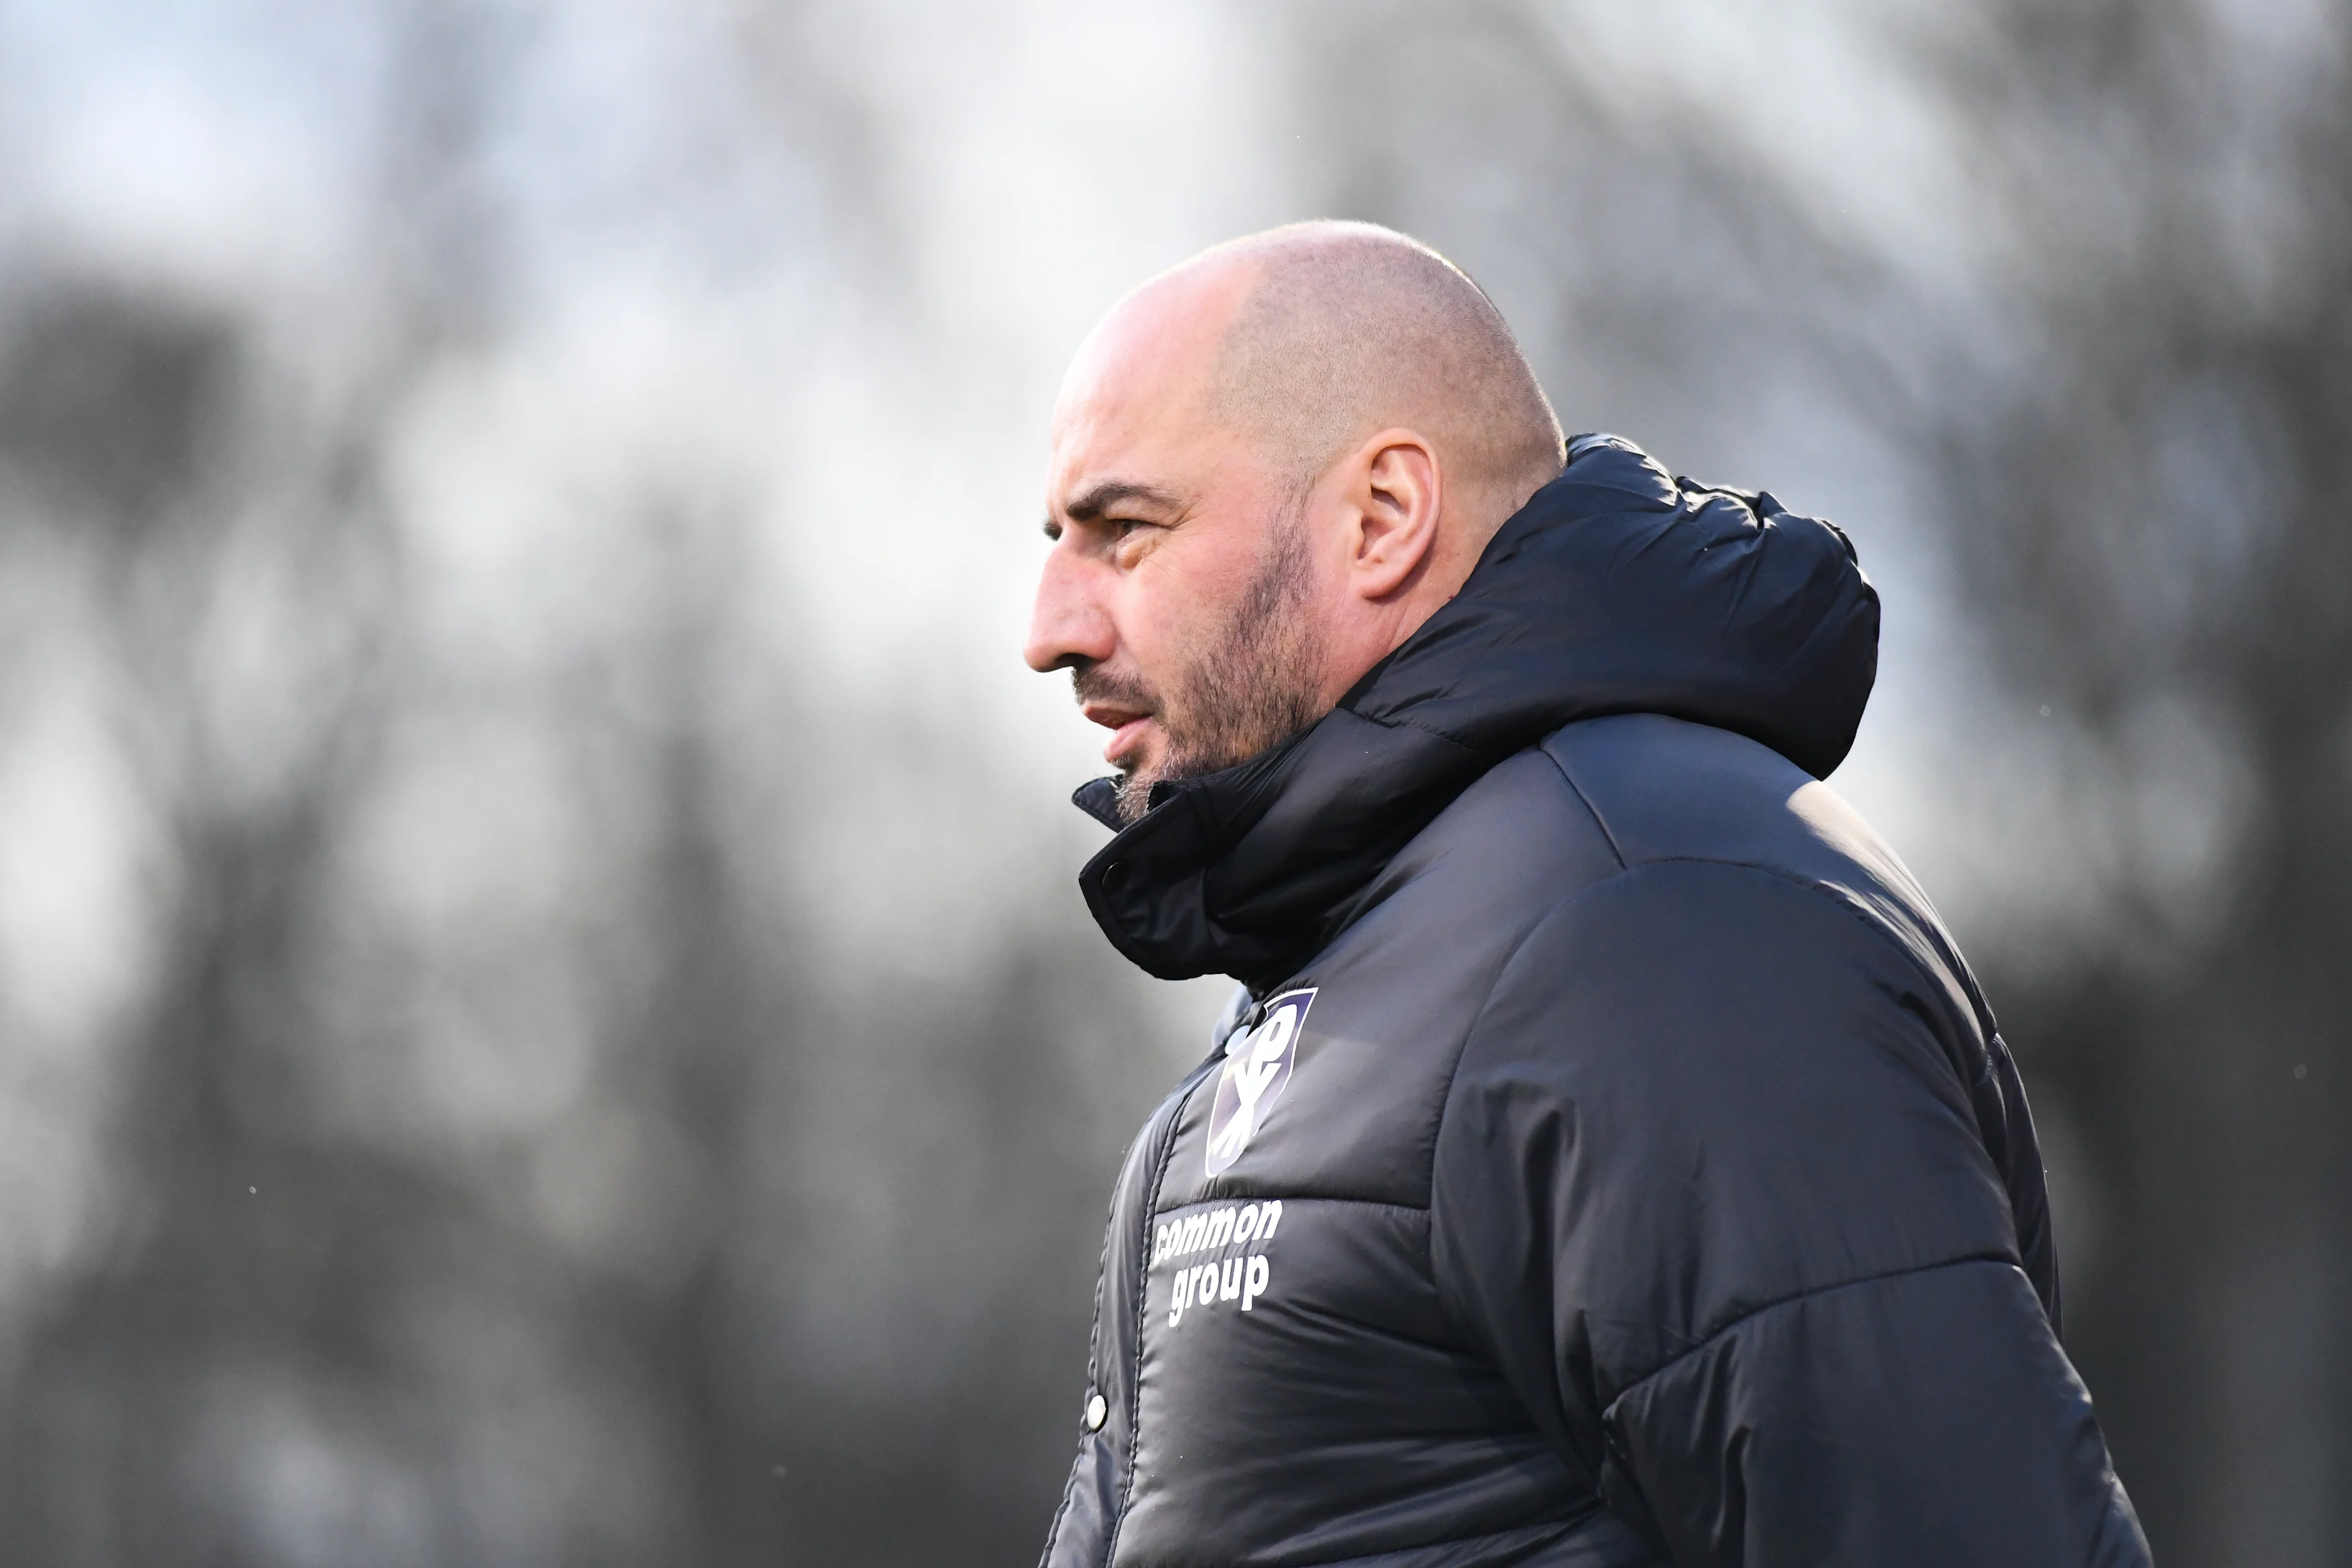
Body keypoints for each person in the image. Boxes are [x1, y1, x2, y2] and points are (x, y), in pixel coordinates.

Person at [1022, 221, 2149, 1568]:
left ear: (1381, 517)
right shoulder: (1378, 945)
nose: (1051, 627)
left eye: (1123, 532)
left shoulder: (1659, 924)